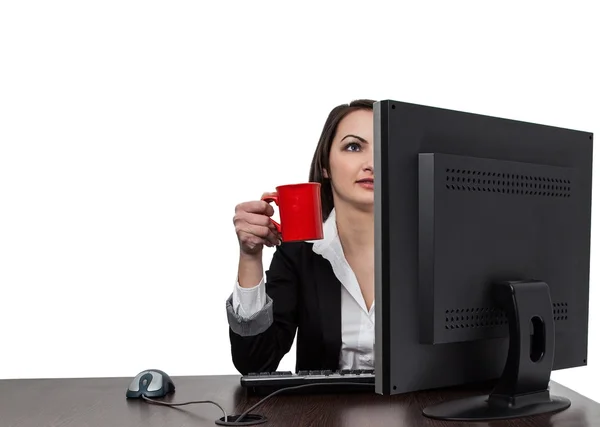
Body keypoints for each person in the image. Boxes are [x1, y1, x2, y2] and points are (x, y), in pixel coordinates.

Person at [226, 99, 376, 375]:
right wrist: (250, 256)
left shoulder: (433, 246)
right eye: (354, 147)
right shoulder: (299, 252)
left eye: (384, 148)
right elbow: (255, 362)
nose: (371, 163)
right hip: (325, 413)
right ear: (325, 166)